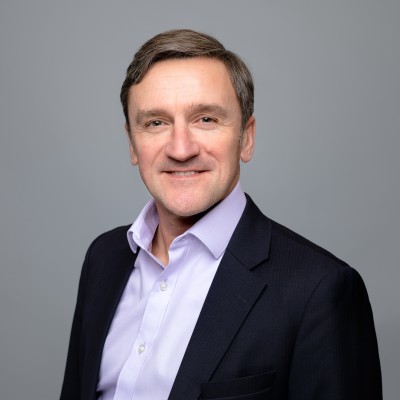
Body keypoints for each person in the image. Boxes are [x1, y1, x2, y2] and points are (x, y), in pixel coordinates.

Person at [60, 29, 382, 400]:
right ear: (133, 144)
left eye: (206, 119)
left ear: (246, 138)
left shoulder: (319, 290)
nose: (181, 149)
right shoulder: (104, 257)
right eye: (156, 123)